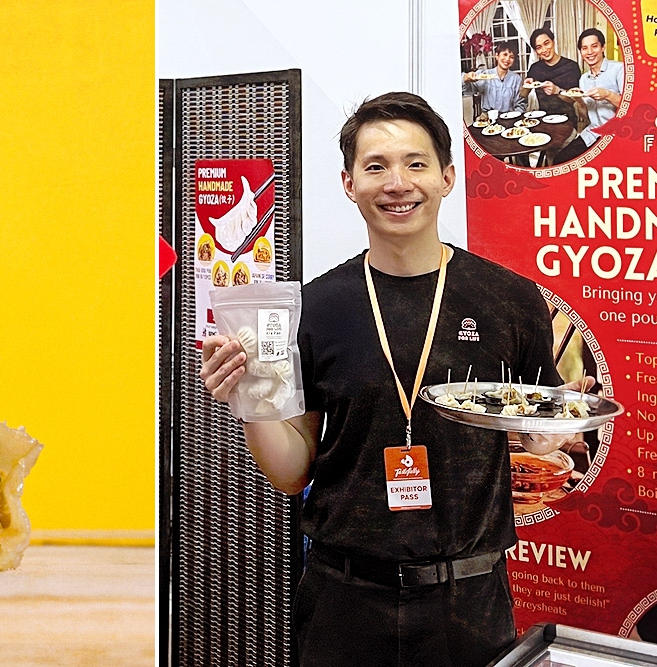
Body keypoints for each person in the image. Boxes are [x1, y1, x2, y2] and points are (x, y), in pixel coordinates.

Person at [200, 92, 590, 666]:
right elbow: (292, 471)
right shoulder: (316, 307)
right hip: (345, 598)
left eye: (416, 163)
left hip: (470, 599)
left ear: (447, 176)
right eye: (375, 166)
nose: (397, 183)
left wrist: (552, 433)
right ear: (348, 182)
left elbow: (537, 429)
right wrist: (249, 402)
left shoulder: (509, 298)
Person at [554, 27, 625, 164]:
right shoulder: (584, 79)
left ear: (603, 47)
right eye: (585, 48)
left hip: (616, 136)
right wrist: (579, 101)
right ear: (580, 52)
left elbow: (631, 107)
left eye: (594, 46)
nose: (590, 52)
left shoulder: (619, 69)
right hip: (593, 133)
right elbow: (586, 116)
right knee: (561, 160)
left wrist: (608, 95)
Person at [520, 27, 580, 116]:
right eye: (539, 47)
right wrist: (527, 86)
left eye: (546, 43)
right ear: (536, 51)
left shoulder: (571, 66)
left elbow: (574, 99)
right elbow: (523, 95)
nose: (544, 50)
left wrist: (557, 91)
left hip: (567, 119)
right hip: (543, 118)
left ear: (553, 42)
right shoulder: (535, 68)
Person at [462, 42, 526, 114]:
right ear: (497, 56)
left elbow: (520, 104)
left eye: (511, 57)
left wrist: (515, 116)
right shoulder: (485, 75)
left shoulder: (516, 79)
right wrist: (466, 78)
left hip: (508, 118)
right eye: (505, 54)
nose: (507, 59)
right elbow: (466, 89)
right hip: (487, 118)